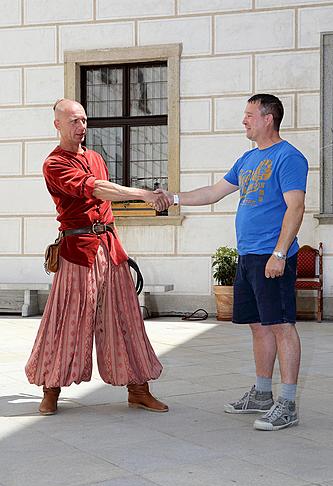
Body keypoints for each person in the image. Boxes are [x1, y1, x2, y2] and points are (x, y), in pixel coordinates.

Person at [159, 94, 308, 431]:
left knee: (282, 325)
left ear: (268, 118)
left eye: (249, 115)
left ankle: (287, 402)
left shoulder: (289, 157)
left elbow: (295, 208)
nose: (244, 121)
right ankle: (262, 393)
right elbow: (213, 192)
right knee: (258, 325)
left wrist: (280, 253)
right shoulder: (246, 159)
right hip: (248, 256)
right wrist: (174, 198)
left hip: (272, 255)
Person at [25, 98, 170, 415]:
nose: (81, 127)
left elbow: (105, 202)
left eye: (84, 120)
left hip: (111, 248)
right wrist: (144, 194)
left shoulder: (94, 157)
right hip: (78, 252)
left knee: (126, 318)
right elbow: (97, 189)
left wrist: (115, 241)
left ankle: (139, 389)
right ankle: (50, 388)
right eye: (73, 121)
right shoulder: (54, 164)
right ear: (58, 125)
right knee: (66, 321)